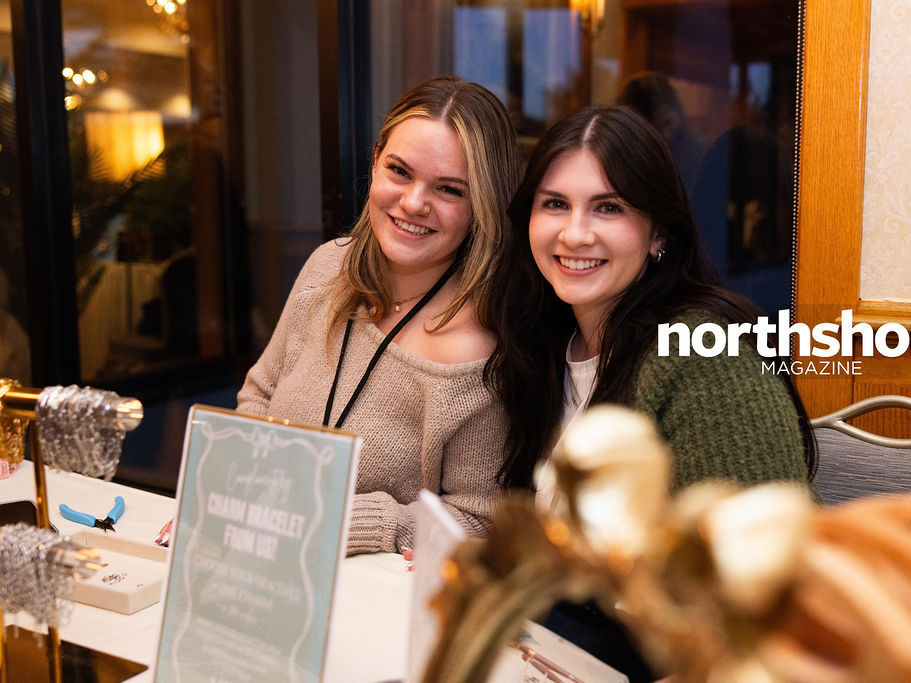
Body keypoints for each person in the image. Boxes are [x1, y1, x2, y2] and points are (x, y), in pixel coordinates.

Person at [484, 105, 815, 680]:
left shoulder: (704, 355)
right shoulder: (547, 346)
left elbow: (767, 614)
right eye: (555, 203)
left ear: (658, 232)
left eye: (608, 207)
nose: (574, 233)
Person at [237, 76, 521, 556]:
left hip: (372, 594)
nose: (413, 203)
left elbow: (478, 521)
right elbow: (259, 395)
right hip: (262, 558)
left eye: (449, 189)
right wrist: (231, 497)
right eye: (400, 171)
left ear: (483, 205)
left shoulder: (483, 350)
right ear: (375, 161)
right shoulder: (327, 265)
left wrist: (344, 521)